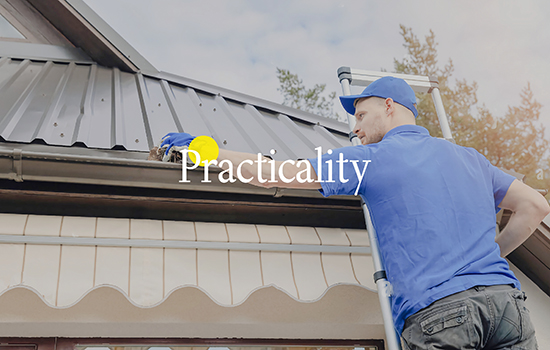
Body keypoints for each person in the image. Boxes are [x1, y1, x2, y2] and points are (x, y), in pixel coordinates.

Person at [161, 76, 549, 349]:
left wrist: (207, 152)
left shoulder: (371, 159)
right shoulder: (471, 159)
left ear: (389, 106)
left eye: (361, 116)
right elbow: (535, 207)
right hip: (506, 309)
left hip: (440, 314)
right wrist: (489, 257)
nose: (356, 130)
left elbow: (276, 174)